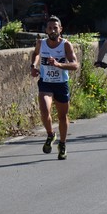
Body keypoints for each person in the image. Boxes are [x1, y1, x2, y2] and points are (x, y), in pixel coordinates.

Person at [30, 16, 79, 160]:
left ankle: (62, 144)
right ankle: (51, 134)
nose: (52, 30)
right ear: (46, 30)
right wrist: (33, 66)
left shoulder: (65, 45)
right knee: (45, 111)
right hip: (46, 82)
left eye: (55, 28)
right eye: (50, 28)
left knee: (62, 116)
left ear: (60, 29)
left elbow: (75, 65)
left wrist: (59, 65)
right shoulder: (41, 43)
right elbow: (36, 54)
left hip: (61, 84)